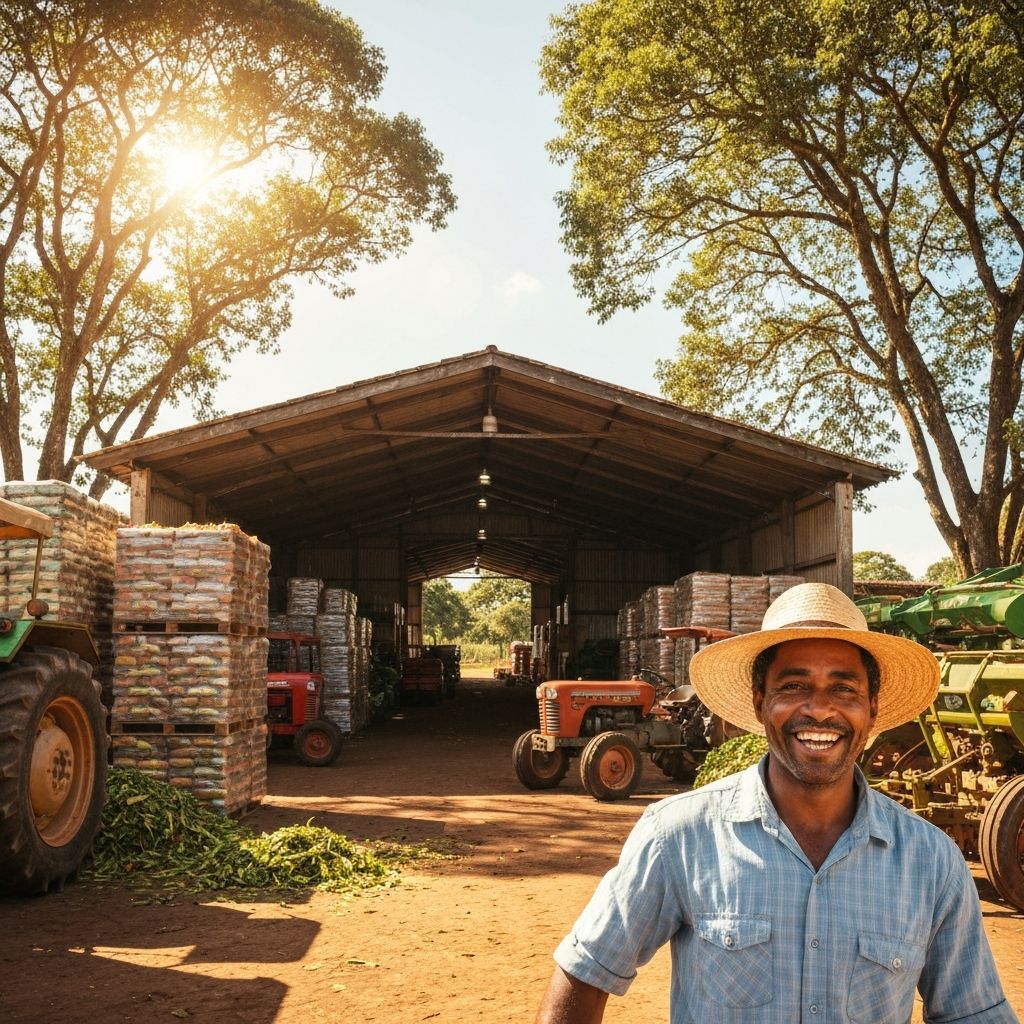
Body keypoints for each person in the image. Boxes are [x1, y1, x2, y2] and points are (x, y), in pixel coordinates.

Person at [534, 582, 1018, 1024]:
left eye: (844, 688)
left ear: (871, 710)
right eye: (793, 686)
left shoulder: (931, 861)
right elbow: (585, 973)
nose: (820, 708)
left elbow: (973, 1013)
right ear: (759, 701)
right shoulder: (679, 836)